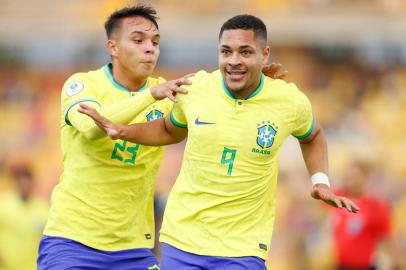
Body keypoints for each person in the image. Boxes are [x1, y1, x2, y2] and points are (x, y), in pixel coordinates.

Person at [79, 14, 360, 270]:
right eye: (226, 52)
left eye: (245, 52)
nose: (233, 61)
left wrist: (320, 181)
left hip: (243, 247)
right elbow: (168, 129)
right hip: (183, 239)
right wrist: (122, 131)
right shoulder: (196, 88)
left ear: (265, 55)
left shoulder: (289, 100)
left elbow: (312, 135)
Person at [37, 5, 286, 270]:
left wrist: (251, 80)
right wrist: (149, 96)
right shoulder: (84, 84)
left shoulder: (169, 95)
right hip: (72, 242)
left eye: (155, 42)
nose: (150, 48)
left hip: (133, 249)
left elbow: (219, 104)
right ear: (113, 47)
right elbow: (90, 126)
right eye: (138, 40)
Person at [330, 161, 400, 270]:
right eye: (348, 177)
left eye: (355, 176)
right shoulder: (338, 197)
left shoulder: (375, 206)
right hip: (341, 265)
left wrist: (395, 261)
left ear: (365, 178)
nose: (351, 181)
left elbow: (387, 236)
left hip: (364, 265)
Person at [0, 163, 48, 270]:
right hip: (7, 266)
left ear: (32, 183)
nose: (24, 184)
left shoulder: (42, 208)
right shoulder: (3, 204)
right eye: (21, 181)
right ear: (16, 183)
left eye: (27, 181)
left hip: (33, 266)